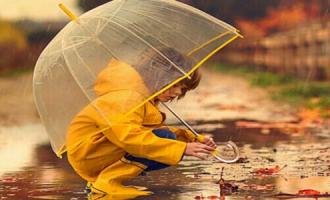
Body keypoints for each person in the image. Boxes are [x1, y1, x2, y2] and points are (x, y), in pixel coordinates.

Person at [65, 47, 216, 198]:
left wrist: (191, 139)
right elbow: (129, 137)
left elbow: (148, 129)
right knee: (166, 141)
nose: (178, 93)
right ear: (158, 75)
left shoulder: (142, 95)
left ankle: (103, 181)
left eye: (182, 89)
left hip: (101, 149)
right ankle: (106, 182)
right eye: (175, 85)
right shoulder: (126, 97)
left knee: (168, 141)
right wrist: (182, 148)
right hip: (90, 153)